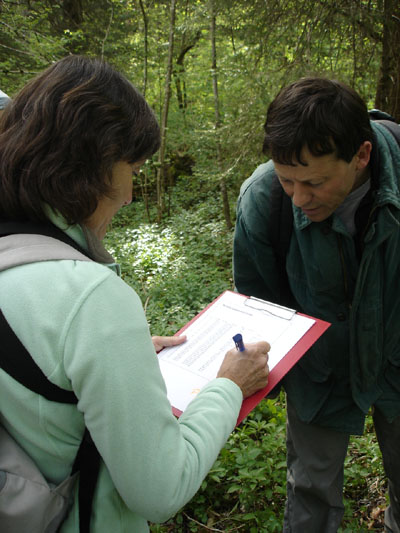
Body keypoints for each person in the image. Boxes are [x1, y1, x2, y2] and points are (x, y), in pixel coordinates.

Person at [0, 55, 270, 532]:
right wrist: (229, 385)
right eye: (134, 169)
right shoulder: (90, 298)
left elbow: (30, 367)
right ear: (91, 166)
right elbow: (160, 490)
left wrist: (105, 359)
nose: (129, 195)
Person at [233, 77, 400, 533]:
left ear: (361, 155)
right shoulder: (263, 200)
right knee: (309, 493)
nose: (299, 198)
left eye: (315, 182)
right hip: (319, 373)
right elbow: (257, 308)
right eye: (288, 180)